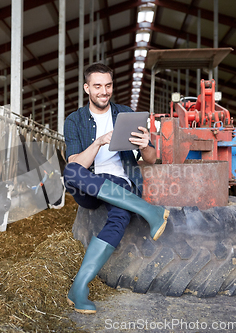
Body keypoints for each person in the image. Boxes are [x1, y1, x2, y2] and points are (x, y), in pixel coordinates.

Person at [63, 62, 169, 314]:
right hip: (89, 184)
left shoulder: (126, 114)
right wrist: (99, 142)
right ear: (87, 88)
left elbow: (152, 159)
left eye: (108, 85)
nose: (104, 91)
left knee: (120, 215)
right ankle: (149, 211)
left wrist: (144, 146)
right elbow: (76, 164)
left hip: (121, 182)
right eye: (97, 86)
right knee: (70, 171)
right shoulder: (74, 120)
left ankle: (78, 288)